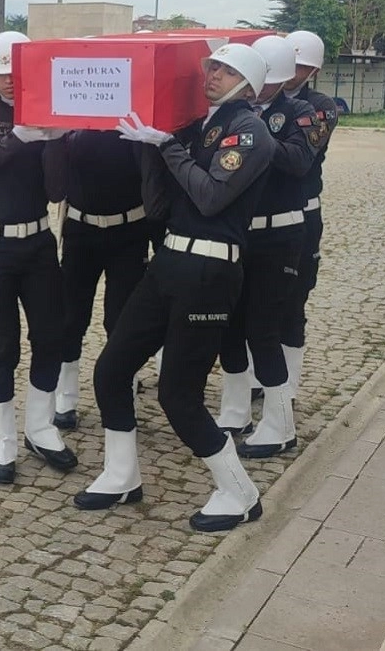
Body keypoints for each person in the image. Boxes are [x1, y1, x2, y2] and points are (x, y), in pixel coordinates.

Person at [74, 43, 274, 532]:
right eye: (213, 68)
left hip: (209, 271)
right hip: (168, 261)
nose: (214, 75)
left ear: (247, 84)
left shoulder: (250, 134)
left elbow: (208, 197)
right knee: (111, 369)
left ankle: (239, 491)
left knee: (177, 394)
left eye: (226, 71)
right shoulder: (202, 127)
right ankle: (122, 473)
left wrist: (165, 145)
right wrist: (148, 149)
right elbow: (161, 207)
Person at [0, 30, 77, 484]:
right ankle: (0, 440)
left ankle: (41, 428)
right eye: (2, 72)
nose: (9, 81)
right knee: (1, 341)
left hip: (38, 238)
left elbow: (57, 190)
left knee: (51, 335)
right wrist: (18, 139)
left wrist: (56, 141)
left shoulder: (43, 106)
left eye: (16, 71)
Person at [213, 35, 316, 457]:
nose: (262, 91)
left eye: (268, 83)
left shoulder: (301, 111)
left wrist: (252, 134)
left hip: (280, 234)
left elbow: (299, 161)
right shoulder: (229, 114)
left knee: (263, 327)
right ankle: (235, 409)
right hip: (240, 232)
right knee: (230, 325)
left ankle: (279, 423)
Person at [43, 127, 149, 429]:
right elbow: (56, 187)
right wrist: (58, 139)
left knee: (122, 318)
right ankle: (66, 395)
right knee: (71, 315)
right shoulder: (73, 124)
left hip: (129, 230)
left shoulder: (132, 121)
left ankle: (122, 390)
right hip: (81, 228)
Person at [279, 30, 337, 404]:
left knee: (293, 300)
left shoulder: (321, 106)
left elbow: (302, 160)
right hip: (265, 215)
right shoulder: (261, 99)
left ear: (312, 70)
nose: (290, 72)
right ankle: (257, 376)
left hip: (302, 212)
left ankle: (288, 387)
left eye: (299, 66)